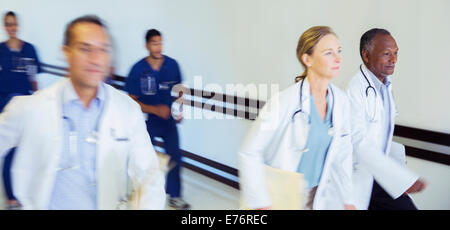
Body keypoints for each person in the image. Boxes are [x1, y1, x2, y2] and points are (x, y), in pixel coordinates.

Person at [0, 15, 166, 210]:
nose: (96, 59)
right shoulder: (29, 108)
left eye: (103, 49)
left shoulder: (127, 111)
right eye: (85, 48)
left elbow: (149, 174)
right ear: (66, 52)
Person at [239, 26, 355, 210]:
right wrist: (261, 203)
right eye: (328, 53)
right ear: (307, 59)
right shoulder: (284, 102)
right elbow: (250, 152)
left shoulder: (341, 101)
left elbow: (344, 155)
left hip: (323, 194)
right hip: (284, 197)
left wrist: (348, 199)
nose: (338, 59)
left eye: (339, 51)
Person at [347, 28, 427, 210]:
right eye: (386, 54)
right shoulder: (354, 89)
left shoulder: (385, 86)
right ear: (366, 56)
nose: (394, 59)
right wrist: (400, 179)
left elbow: (382, 138)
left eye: (396, 53)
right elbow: (359, 143)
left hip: (380, 176)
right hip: (361, 176)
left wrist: (397, 178)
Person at [124, 29, 189, 210]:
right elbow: (131, 100)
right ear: (147, 45)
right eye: (154, 43)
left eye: (160, 43)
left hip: (168, 121)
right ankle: (143, 193)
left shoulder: (172, 65)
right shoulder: (138, 69)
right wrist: (154, 110)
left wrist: (180, 109)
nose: (158, 47)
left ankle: (174, 196)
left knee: (175, 155)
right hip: (146, 122)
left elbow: (180, 90)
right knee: (145, 160)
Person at [0, 11, 42, 209]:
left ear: (18, 25)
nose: (11, 27)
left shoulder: (29, 50)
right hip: (6, 103)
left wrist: (38, 101)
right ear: (4, 26)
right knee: (9, 150)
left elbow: (34, 79)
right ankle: (11, 198)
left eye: (14, 24)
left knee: (28, 148)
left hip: (26, 103)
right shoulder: (0, 50)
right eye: (8, 24)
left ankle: (28, 191)